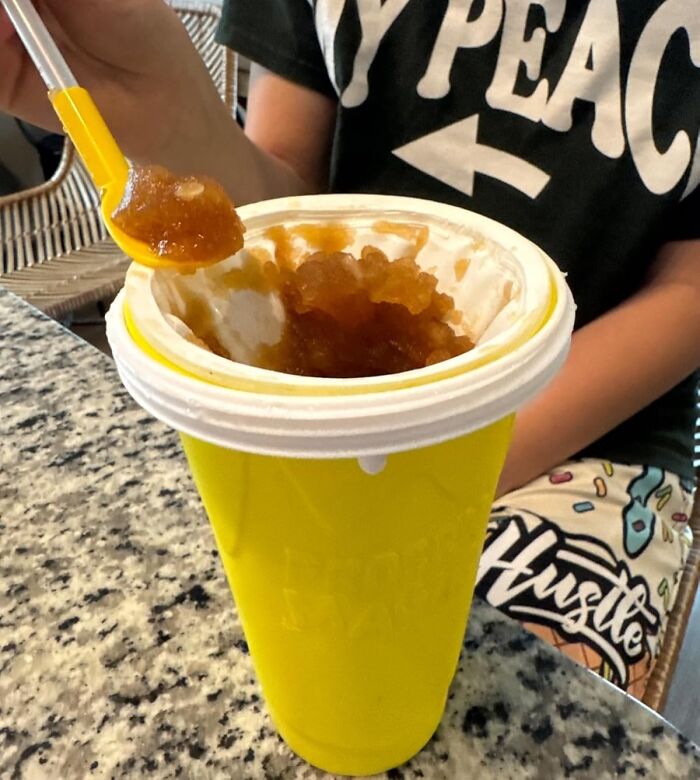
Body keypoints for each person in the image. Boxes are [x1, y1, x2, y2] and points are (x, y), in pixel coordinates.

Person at [2, 0, 698, 699]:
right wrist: (165, 118)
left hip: (596, 435)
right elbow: (282, 211)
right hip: (305, 411)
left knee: (512, 698)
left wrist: (434, 465)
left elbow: (688, 292)